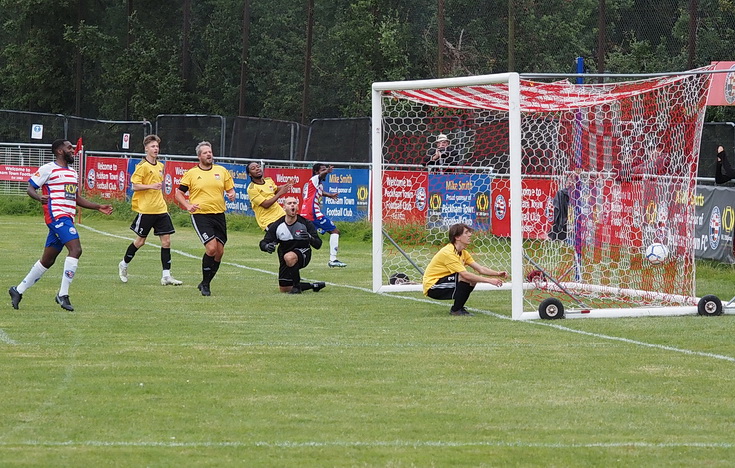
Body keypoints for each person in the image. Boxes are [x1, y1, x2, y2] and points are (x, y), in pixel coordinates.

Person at [8, 139, 113, 312]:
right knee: (76, 249)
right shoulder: (48, 168)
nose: (73, 150)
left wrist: (98, 207)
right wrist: (38, 197)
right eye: (69, 148)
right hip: (56, 216)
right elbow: (30, 188)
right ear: (59, 151)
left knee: (47, 260)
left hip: (67, 218)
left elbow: (76, 198)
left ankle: (17, 290)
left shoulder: (72, 172)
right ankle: (63, 294)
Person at [118, 134, 182, 286]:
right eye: (153, 146)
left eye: (157, 146)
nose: (156, 149)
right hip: (146, 209)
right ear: (146, 148)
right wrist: (150, 186)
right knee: (140, 242)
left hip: (160, 209)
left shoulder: (160, 166)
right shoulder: (142, 166)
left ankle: (166, 276)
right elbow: (134, 186)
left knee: (166, 241)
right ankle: (124, 264)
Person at [174, 141, 236, 296]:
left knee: (219, 252)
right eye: (205, 152)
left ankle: (204, 282)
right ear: (199, 156)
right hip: (201, 215)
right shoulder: (192, 173)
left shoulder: (221, 171)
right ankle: (206, 285)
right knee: (211, 248)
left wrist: (231, 194)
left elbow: (230, 189)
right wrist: (187, 205)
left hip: (219, 214)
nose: (209, 154)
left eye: (210, 152)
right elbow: (178, 193)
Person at [423, 223, 507, 316]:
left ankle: (459, 307)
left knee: (472, 279)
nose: (470, 235)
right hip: (433, 286)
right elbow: (465, 275)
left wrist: (498, 273)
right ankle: (456, 310)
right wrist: (489, 281)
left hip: (444, 282)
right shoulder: (448, 253)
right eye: (466, 233)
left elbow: (480, 269)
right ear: (457, 237)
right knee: (466, 277)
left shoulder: (463, 252)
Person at [260, 196, 326, 294]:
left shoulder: (305, 223)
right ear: (284, 207)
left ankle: (297, 288)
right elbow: (263, 242)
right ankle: (313, 285)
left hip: (303, 252)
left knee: (289, 257)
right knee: (285, 289)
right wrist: (267, 247)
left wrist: (310, 238)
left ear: (297, 207)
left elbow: (318, 244)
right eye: (289, 203)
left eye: (294, 203)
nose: (292, 205)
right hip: (285, 257)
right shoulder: (278, 225)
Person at [300, 163, 346, 268]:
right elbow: (320, 176)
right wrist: (327, 171)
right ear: (316, 172)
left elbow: (319, 192)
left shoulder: (316, 183)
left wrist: (329, 195)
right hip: (313, 213)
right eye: (322, 170)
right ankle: (333, 260)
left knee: (305, 237)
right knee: (335, 231)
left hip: (306, 212)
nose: (325, 172)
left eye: (325, 170)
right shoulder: (315, 178)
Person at [246, 161, 293, 231]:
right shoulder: (252, 188)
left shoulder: (268, 180)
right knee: (279, 238)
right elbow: (265, 204)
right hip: (268, 220)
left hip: (281, 215)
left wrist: (287, 185)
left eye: (258, 167)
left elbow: (275, 189)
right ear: (249, 174)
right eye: (253, 168)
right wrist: (280, 193)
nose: (257, 169)